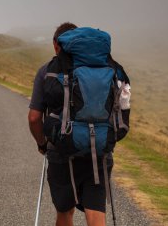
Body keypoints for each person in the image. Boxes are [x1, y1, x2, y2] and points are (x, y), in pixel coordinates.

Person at [28, 22, 114, 226]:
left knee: (65, 212)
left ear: (56, 44)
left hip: (61, 151)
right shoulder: (104, 68)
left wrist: (42, 143)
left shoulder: (47, 71)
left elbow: (34, 117)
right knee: (95, 210)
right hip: (98, 150)